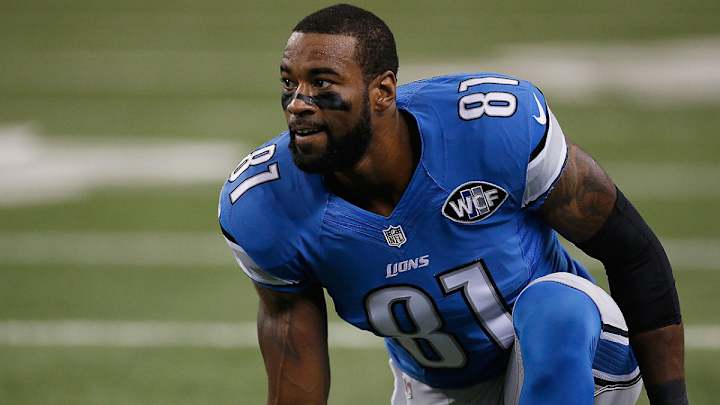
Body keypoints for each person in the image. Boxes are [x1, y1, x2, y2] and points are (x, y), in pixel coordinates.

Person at [218, 4, 687, 404]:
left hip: (575, 359)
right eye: (289, 82)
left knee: (556, 307)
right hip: (434, 389)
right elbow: (294, 362)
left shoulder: (490, 129)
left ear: (382, 92)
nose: (298, 103)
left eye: (322, 83)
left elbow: (632, 252)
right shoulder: (266, 203)